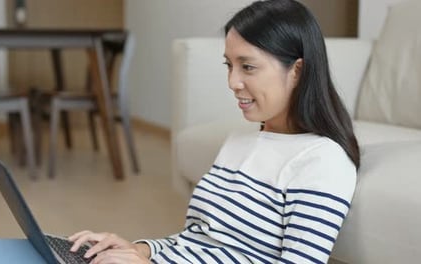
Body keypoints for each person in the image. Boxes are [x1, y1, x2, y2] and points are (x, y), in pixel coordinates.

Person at [69, 0, 360, 263]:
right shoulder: (237, 142)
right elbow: (196, 240)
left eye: (247, 67)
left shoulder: (323, 160)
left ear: (297, 70)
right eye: (229, 65)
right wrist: (140, 250)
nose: (233, 81)